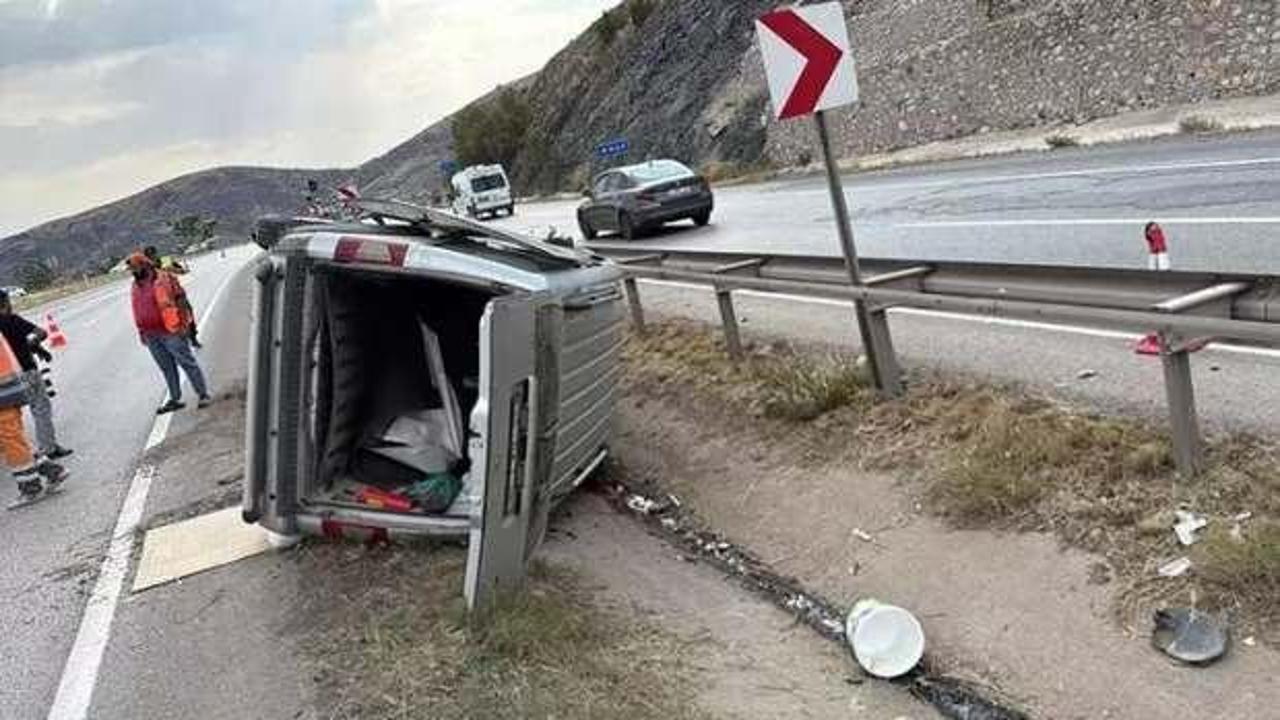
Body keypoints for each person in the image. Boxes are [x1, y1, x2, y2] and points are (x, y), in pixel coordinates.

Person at [127, 252, 211, 413]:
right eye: (132, 269)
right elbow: (136, 309)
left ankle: (203, 394)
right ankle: (175, 399)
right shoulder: (135, 285)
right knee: (167, 367)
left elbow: (181, 300)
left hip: (171, 330)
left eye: (135, 268)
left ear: (145, 265)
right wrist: (141, 332)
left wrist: (185, 325)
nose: (133, 272)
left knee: (187, 363)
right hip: (151, 334)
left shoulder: (165, 278)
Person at [0, 289, 72, 460]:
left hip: (7, 378)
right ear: (5, 302)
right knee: (40, 408)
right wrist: (35, 344)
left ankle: (18, 448)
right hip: (27, 371)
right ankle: (48, 448)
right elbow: (42, 332)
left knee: (11, 418)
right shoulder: (12, 319)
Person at [1, 332, 67, 501]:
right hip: (9, 386)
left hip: (3, 390)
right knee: (14, 438)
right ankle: (51, 470)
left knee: (11, 440)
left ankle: (30, 488)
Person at [142, 245, 201, 348]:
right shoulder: (146, 269)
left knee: (188, 314)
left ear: (156, 254)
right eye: (149, 256)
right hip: (162, 299)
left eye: (153, 254)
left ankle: (193, 338)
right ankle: (177, 342)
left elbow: (182, 271)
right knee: (170, 320)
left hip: (177, 294)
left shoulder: (166, 261)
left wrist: (172, 269)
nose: (152, 257)